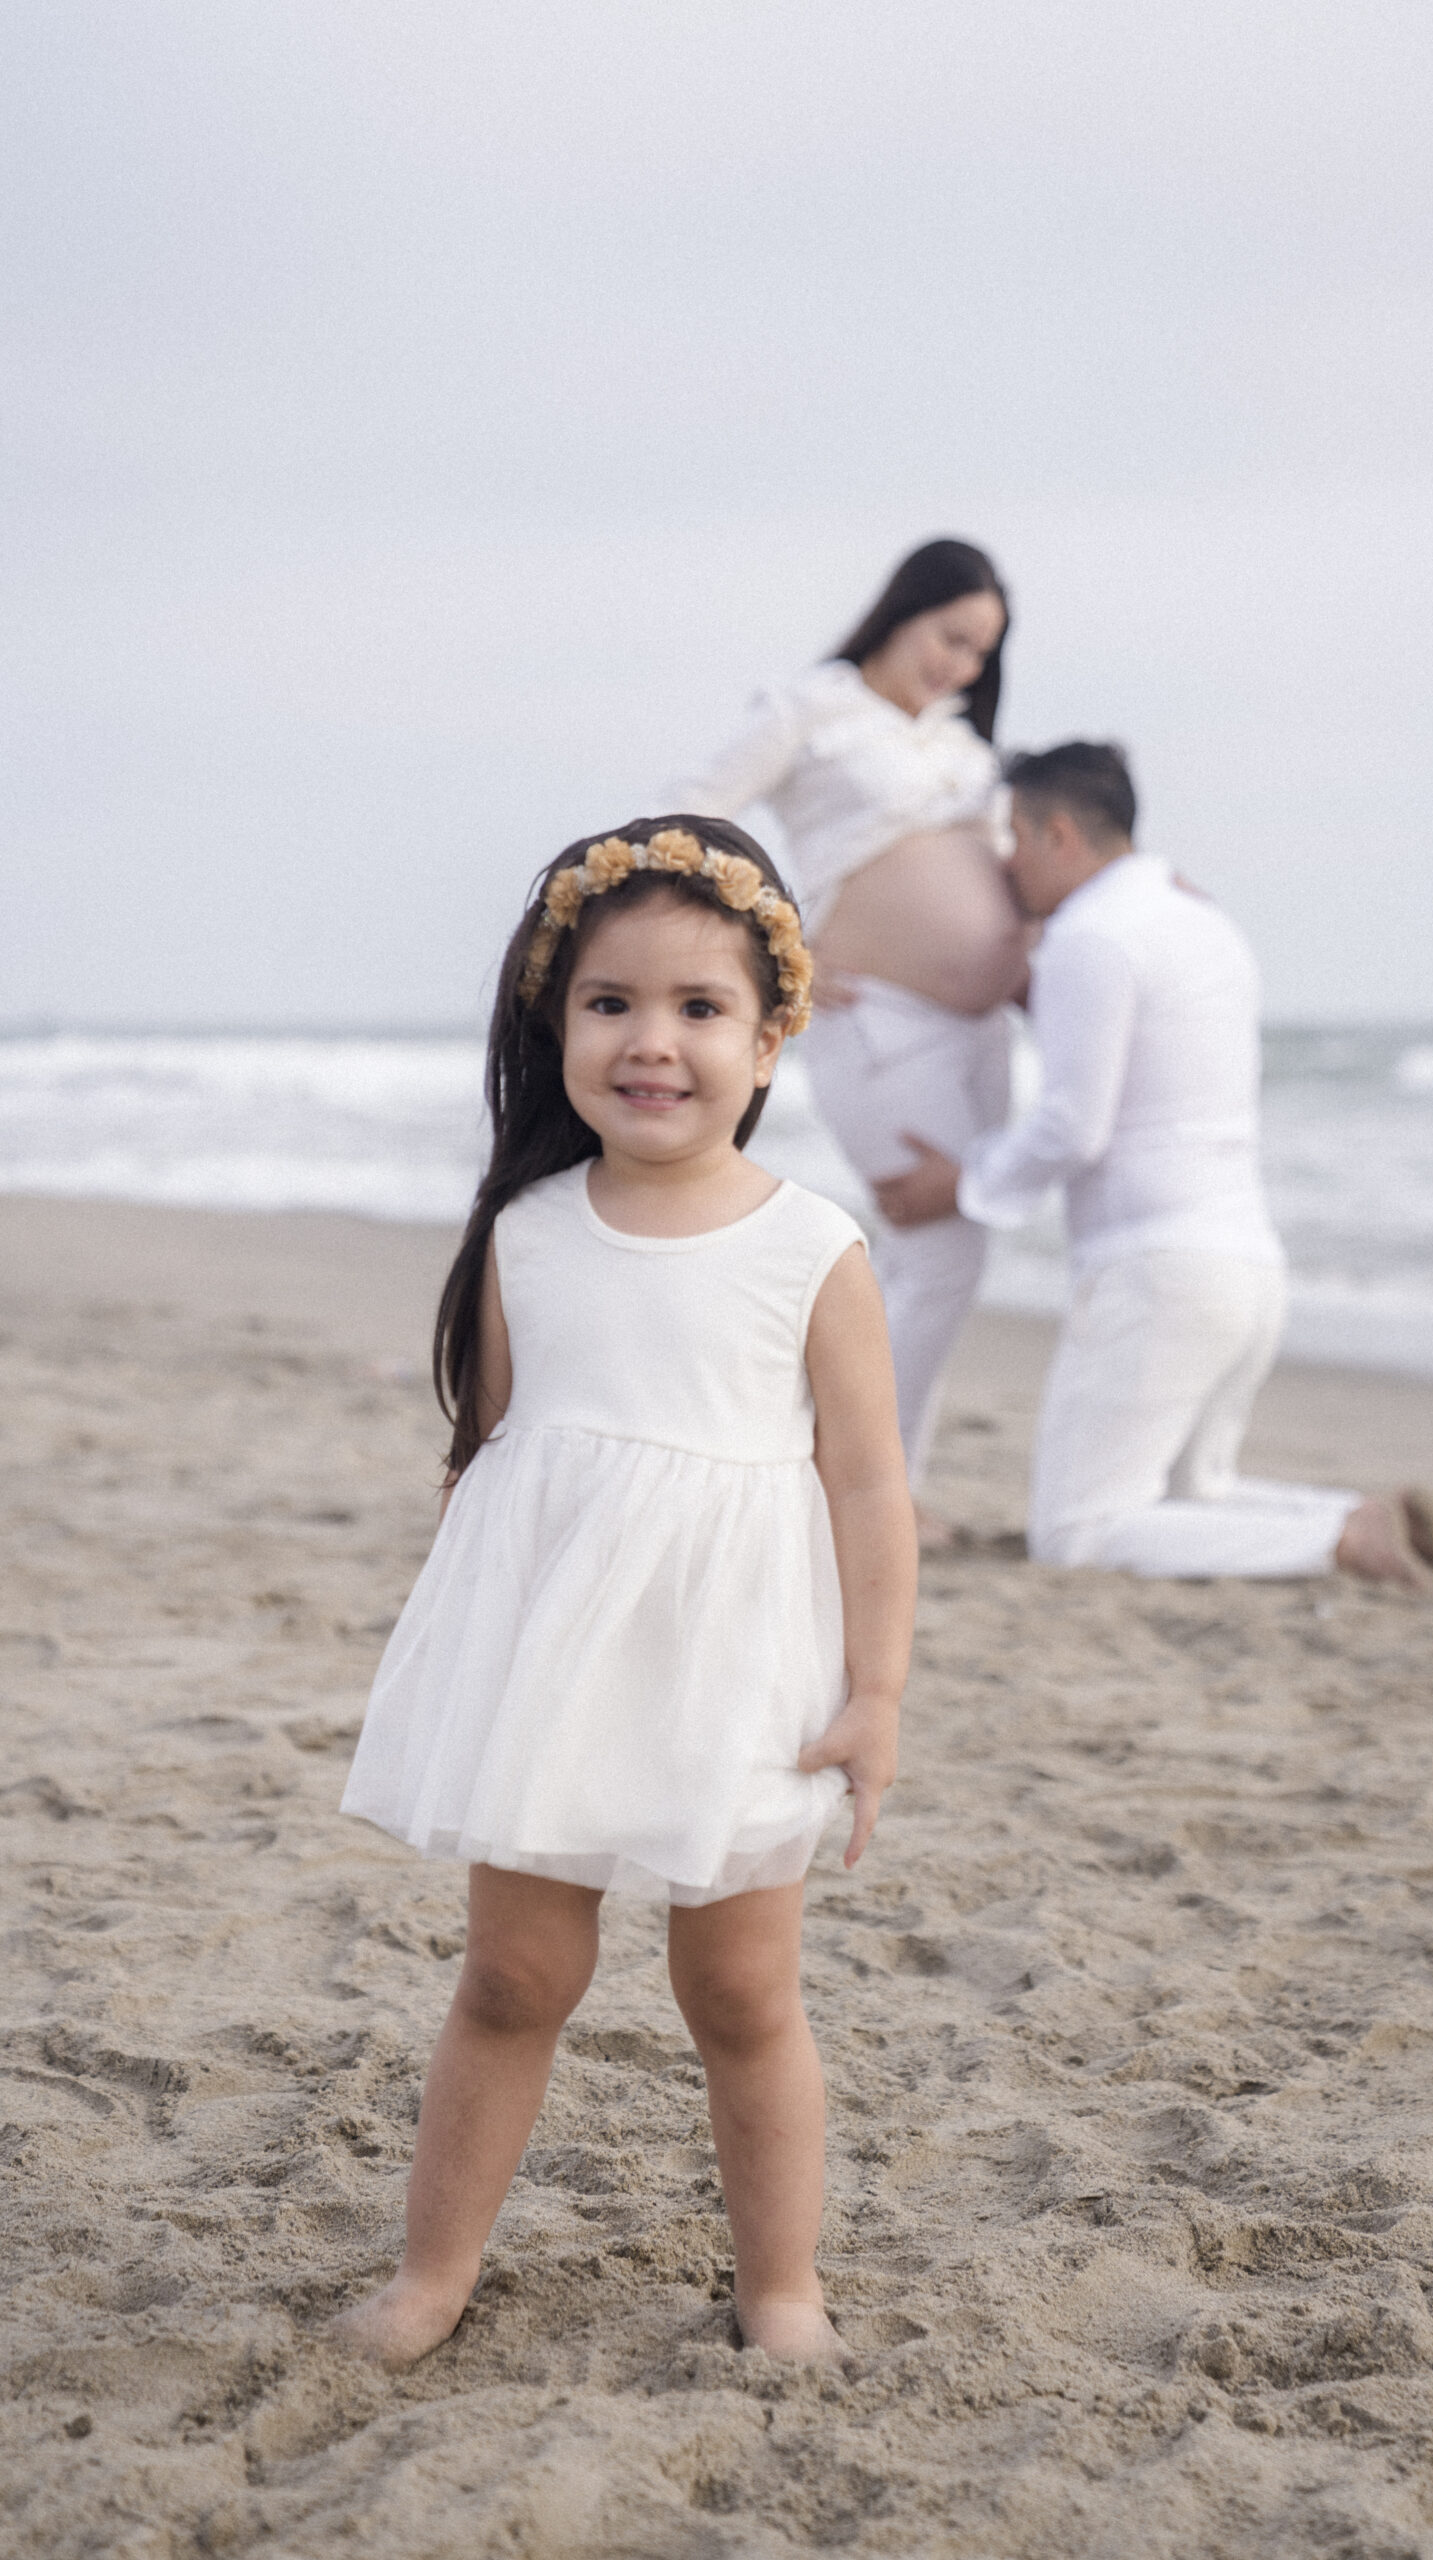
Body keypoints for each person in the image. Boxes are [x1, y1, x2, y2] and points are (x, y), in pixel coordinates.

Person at [334, 819, 916, 2372]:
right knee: (514, 1977)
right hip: (559, 1670)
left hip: (740, 1670)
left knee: (740, 1994)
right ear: (555, 1025)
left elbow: (868, 1488)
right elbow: (497, 1462)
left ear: (769, 1041)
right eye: (610, 1003)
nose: (651, 1041)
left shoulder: (812, 1250)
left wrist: (873, 1694)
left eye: (698, 1008)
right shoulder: (526, 1236)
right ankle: (432, 2275)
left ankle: (780, 2288)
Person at [874, 743, 1433, 1584]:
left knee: (1077, 1533)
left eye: (1015, 838)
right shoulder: (1201, 922)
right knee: (1191, 1495)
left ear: (1059, 834)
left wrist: (963, 1182)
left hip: (1158, 1272)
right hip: (1245, 1268)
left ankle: (1337, 1540)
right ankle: (1378, 1523)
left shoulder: (1091, 938)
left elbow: (1072, 1127)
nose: (1006, 863)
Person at [671, 538, 1029, 1541]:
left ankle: (865, 1480)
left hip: (980, 1032)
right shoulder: (810, 709)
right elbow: (690, 816)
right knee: (943, 1252)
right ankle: (877, 1493)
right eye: (950, 637)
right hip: (876, 1021)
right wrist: (773, 939)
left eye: (980, 654)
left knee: (929, 1261)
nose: (960, 665)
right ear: (901, 612)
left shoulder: (965, 746)